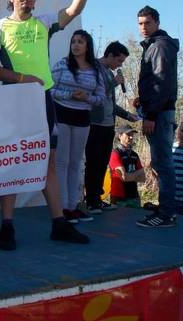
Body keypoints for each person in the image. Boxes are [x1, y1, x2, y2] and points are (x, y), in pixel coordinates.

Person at [0, 0, 103, 249]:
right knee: (12, 162)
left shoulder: (43, 22)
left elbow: (73, 10)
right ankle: (6, 226)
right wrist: (20, 77)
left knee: (48, 162)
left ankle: (59, 224)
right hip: (14, 100)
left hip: (43, 101)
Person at [50, 29, 105, 223]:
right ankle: (62, 207)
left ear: (87, 46)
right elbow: (50, 90)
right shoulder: (61, 65)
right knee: (62, 162)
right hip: (62, 116)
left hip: (83, 118)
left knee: (76, 163)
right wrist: (70, 95)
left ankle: (73, 206)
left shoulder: (96, 70)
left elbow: (101, 98)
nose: (76, 45)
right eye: (73, 41)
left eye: (80, 42)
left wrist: (87, 97)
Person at [134, 5, 179, 228]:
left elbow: (162, 82)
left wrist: (151, 113)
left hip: (159, 113)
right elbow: (154, 82)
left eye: (147, 23)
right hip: (156, 110)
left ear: (157, 23)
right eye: (140, 23)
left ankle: (166, 213)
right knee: (161, 162)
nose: (143, 27)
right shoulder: (153, 45)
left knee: (163, 163)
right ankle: (167, 209)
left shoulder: (159, 45)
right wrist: (142, 100)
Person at [84, 40, 138, 214]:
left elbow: (110, 103)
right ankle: (90, 200)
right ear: (110, 55)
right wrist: (114, 83)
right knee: (93, 162)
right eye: (119, 61)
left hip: (108, 124)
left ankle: (98, 198)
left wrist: (127, 115)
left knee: (102, 163)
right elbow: (92, 91)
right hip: (95, 123)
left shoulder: (108, 72)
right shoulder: (93, 67)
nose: (119, 65)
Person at [109, 125, 145, 208]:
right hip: (119, 198)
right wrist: (136, 174)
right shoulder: (115, 154)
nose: (131, 137)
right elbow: (123, 177)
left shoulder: (134, 155)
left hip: (134, 196)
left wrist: (130, 175)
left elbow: (143, 177)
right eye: (128, 134)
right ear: (120, 136)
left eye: (132, 135)